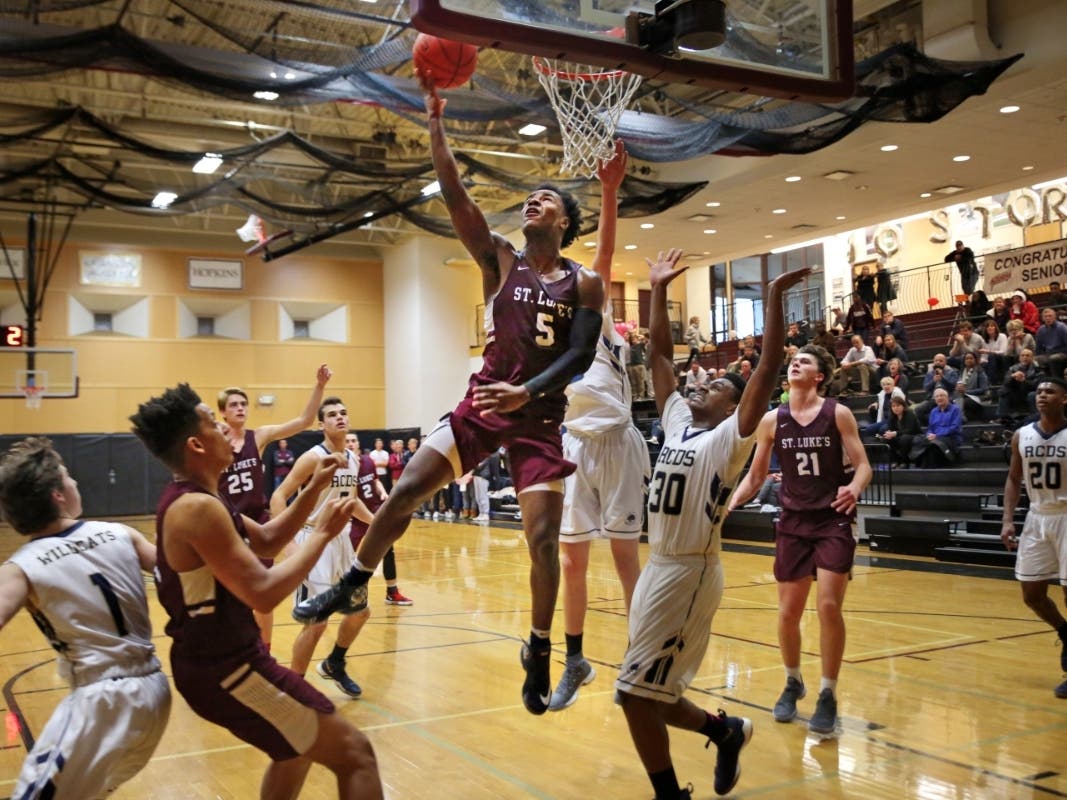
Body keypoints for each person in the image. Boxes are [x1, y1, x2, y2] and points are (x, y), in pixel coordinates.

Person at [292, 68, 606, 717]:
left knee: (542, 542)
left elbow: (578, 356)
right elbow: (457, 197)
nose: (531, 204)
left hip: (538, 417)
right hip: (483, 404)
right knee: (406, 490)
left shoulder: (584, 285)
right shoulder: (499, 259)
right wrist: (436, 129)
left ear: (566, 221)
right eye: (529, 199)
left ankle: (541, 649)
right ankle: (350, 584)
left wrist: (528, 395)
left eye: (544, 200)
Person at [616, 248, 809, 800]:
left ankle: (671, 793)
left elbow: (767, 369)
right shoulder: (677, 424)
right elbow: (656, 354)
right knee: (647, 689)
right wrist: (654, 290)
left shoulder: (729, 440)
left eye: (718, 386)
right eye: (699, 383)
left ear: (733, 408)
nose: (701, 385)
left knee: (633, 693)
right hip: (658, 566)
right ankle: (724, 732)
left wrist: (772, 300)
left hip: (690, 573)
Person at [130, 384, 382, 799]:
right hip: (225, 667)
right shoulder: (196, 508)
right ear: (196, 444)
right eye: (215, 424)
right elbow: (263, 593)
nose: (228, 431)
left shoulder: (204, 497)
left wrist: (315, 488)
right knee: (355, 753)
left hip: (220, 663)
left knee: (295, 751)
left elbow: (265, 539)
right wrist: (320, 535)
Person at [0, 437, 171, 800]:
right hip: (156, 694)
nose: (76, 482)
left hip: (101, 700)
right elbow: (182, 576)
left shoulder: (21, 566)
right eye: (69, 477)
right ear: (57, 495)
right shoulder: (120, 533)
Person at [731, 340, 872, 737]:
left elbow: (863, 466)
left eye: (804, 362)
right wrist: (729, 505)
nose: (795, 365)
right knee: (789, 612)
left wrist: (855, 489)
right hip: (792, 520)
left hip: (833, 518)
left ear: (819, 376)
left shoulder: (838, 413)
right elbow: (757, 476)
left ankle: (828, 693)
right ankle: (793, 681)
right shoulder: (772, 420)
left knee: (828, 606)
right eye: (793, 360)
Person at [552, 141, 648, 711]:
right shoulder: (548, 328)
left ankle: (641, 655)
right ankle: (575, 657)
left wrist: (609, 191)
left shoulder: (596, 309)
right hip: (573, 445)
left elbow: (606, 253)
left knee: (624, 556)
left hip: (617, 442)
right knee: (571, 559)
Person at [218, 363, 333, 651]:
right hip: (228, 526)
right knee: (230, 596)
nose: (241, 408)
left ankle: (265, 651)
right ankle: (231, 647)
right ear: (223, 412)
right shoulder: (214, 443)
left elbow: (305, 420)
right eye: (234, 405)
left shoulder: (258, 437)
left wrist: (319, 386)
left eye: (243, 404)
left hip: (258, 525)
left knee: (263, 595)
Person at [269, 405, 376, 700]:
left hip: (341, 541)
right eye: (332, 414)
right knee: (317, 622)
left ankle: (334, 662)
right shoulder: (312, 457)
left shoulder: (353, 458)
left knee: (360, 612)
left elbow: (351, 502)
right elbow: (278, 496)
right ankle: (295, 689)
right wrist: (289, 546)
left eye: (344, 412)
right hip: (312, 540)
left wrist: (379, 523)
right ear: (321, 426)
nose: (340, 416)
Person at [1000, 377, 1067, 699]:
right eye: (1039, 392)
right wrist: (1008, 519)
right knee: (1031, 594)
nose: (1042, 395)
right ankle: (1066, 632)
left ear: (1064, 398)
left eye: (1050, 391)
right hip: (1038, 516)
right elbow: (1013, 479)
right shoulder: (1021, 436)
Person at [344, 432, 412, 606]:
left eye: (353, 440)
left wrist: (382, 492)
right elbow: (350, 498)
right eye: (347, 441)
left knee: (387, 550)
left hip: (375, 511)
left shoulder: (367, 461)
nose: (351, 444)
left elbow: (375, 481)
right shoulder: (343, 466)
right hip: (355, 517)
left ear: (358, 443)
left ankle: (392, 592)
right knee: (347, 557)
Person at [910, 388, 963, 468]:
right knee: (918, 440)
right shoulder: (933, 411)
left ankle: (929, 466)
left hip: (951, 437)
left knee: (933, 445)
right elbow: (931, 427)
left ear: (947, 397)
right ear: (935, 399)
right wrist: (929, 434)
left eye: (942, 396)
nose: (939, 398)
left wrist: (937, 435)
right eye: (937, 396)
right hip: (935, 437)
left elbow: (954, 428)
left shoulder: (955, 409)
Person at [998, 349, 1040, 426]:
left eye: (1027, 355)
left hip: (1030, 392)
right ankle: (1003, 417)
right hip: (1017, 393)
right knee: (1004, 391)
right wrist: (1012, 377)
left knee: (1032, 394)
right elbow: (1005, 383)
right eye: (1022, 355)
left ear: (1032, 357)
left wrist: (1024, 381)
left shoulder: (1038, 368)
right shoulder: (1013, 368)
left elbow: (1037, 385)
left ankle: (1036, 417)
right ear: (1019, 358)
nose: (1025, 357)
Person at [882, 395, 921, 467]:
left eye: (898, 405)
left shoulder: (910, 413)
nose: (895, 408)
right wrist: (888, 434)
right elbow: (890, 429)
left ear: (903, 406)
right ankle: (896, 461)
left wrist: (895, 433)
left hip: (914, 435)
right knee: (888, 439)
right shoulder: (892, 416)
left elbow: (910, 430)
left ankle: (905, 462)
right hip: (900, 435)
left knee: (904, 438)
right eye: (893, 406)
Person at [954, 351, 989, 422]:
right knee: (953, 400)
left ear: (975, 360)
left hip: (979, 396)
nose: (969, 360)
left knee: (965, 402)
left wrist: (966, 392)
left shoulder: (980, 371)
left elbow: (984, 389)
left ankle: (962, 418)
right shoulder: (962, 372)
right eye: (967, 359)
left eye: (971, 358)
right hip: (964, 396)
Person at [1035, 306, 1067, 380]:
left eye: (1050, 316)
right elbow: (1038, 348)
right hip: (1048, 353)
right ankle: (1044, 381)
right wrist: (1039, 356)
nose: (1048, 318)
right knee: (1036, 360)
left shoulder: (1062, 327)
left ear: (1055, 316)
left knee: (1053, 358)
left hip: (1062, 353)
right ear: (1042, 318)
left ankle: (1057, 381)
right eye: (1045, 316)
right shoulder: (1041, 330)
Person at [978, 318, 1009, 386]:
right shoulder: (984, 341)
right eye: (987, 326)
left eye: (992, 326)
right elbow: (984, 357)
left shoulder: (1002, 336)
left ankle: (992, 383)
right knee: (983, 364)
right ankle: (986, 384)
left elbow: (1003, 352)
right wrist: (981, 361)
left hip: (1002, 359)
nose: (990, 328)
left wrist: (989, 352)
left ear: (995, 327)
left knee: (992, 356)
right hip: (991, 360)